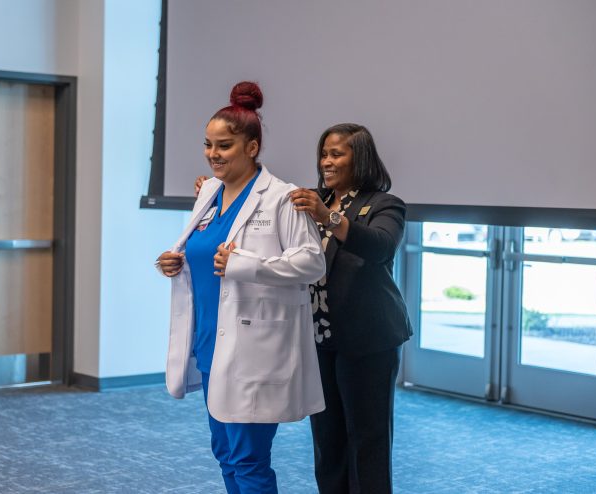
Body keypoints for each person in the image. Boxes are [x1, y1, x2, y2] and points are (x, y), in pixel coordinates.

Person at [156, 81, 326, 494]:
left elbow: (311, 262)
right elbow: (202, 253)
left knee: (249, 460)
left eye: (225, 145)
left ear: (251, 147)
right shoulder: (210, 193)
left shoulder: (281, 198)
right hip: (210, 343)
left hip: (255, 349)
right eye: (208, 145)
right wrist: (175, 263)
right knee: (225, 455)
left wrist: (246, 265)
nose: (213, 154)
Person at [289, 123, 413, 493]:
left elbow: (380, 246)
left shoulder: (384, 204)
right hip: (320, 339)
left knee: (367, 441)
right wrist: (215, 189)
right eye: (323, 154)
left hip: (368, 341)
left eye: (336, 153)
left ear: (359, 158)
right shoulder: (312, 200)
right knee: (327, 442)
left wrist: (329, 218)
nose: (326, 161)